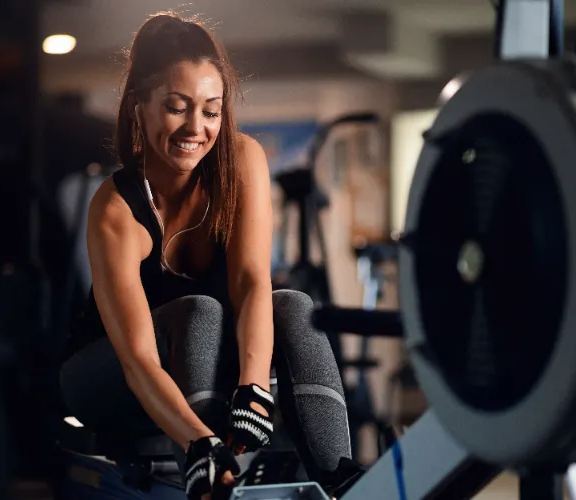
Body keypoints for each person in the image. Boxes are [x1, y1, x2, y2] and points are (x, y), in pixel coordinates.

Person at [59, 11, 363, 500]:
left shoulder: (241, 162)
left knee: (295, 306)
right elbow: (138, 360)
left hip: (197, 363)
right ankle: (208, 477)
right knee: (199, 312)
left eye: (211, 110)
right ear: (140, 105)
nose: (195, 128)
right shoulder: (115, 210)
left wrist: (252, 389)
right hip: (109, 376)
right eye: (177, 107)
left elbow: (249, 283)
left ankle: (342, 479)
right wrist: (199, 442)